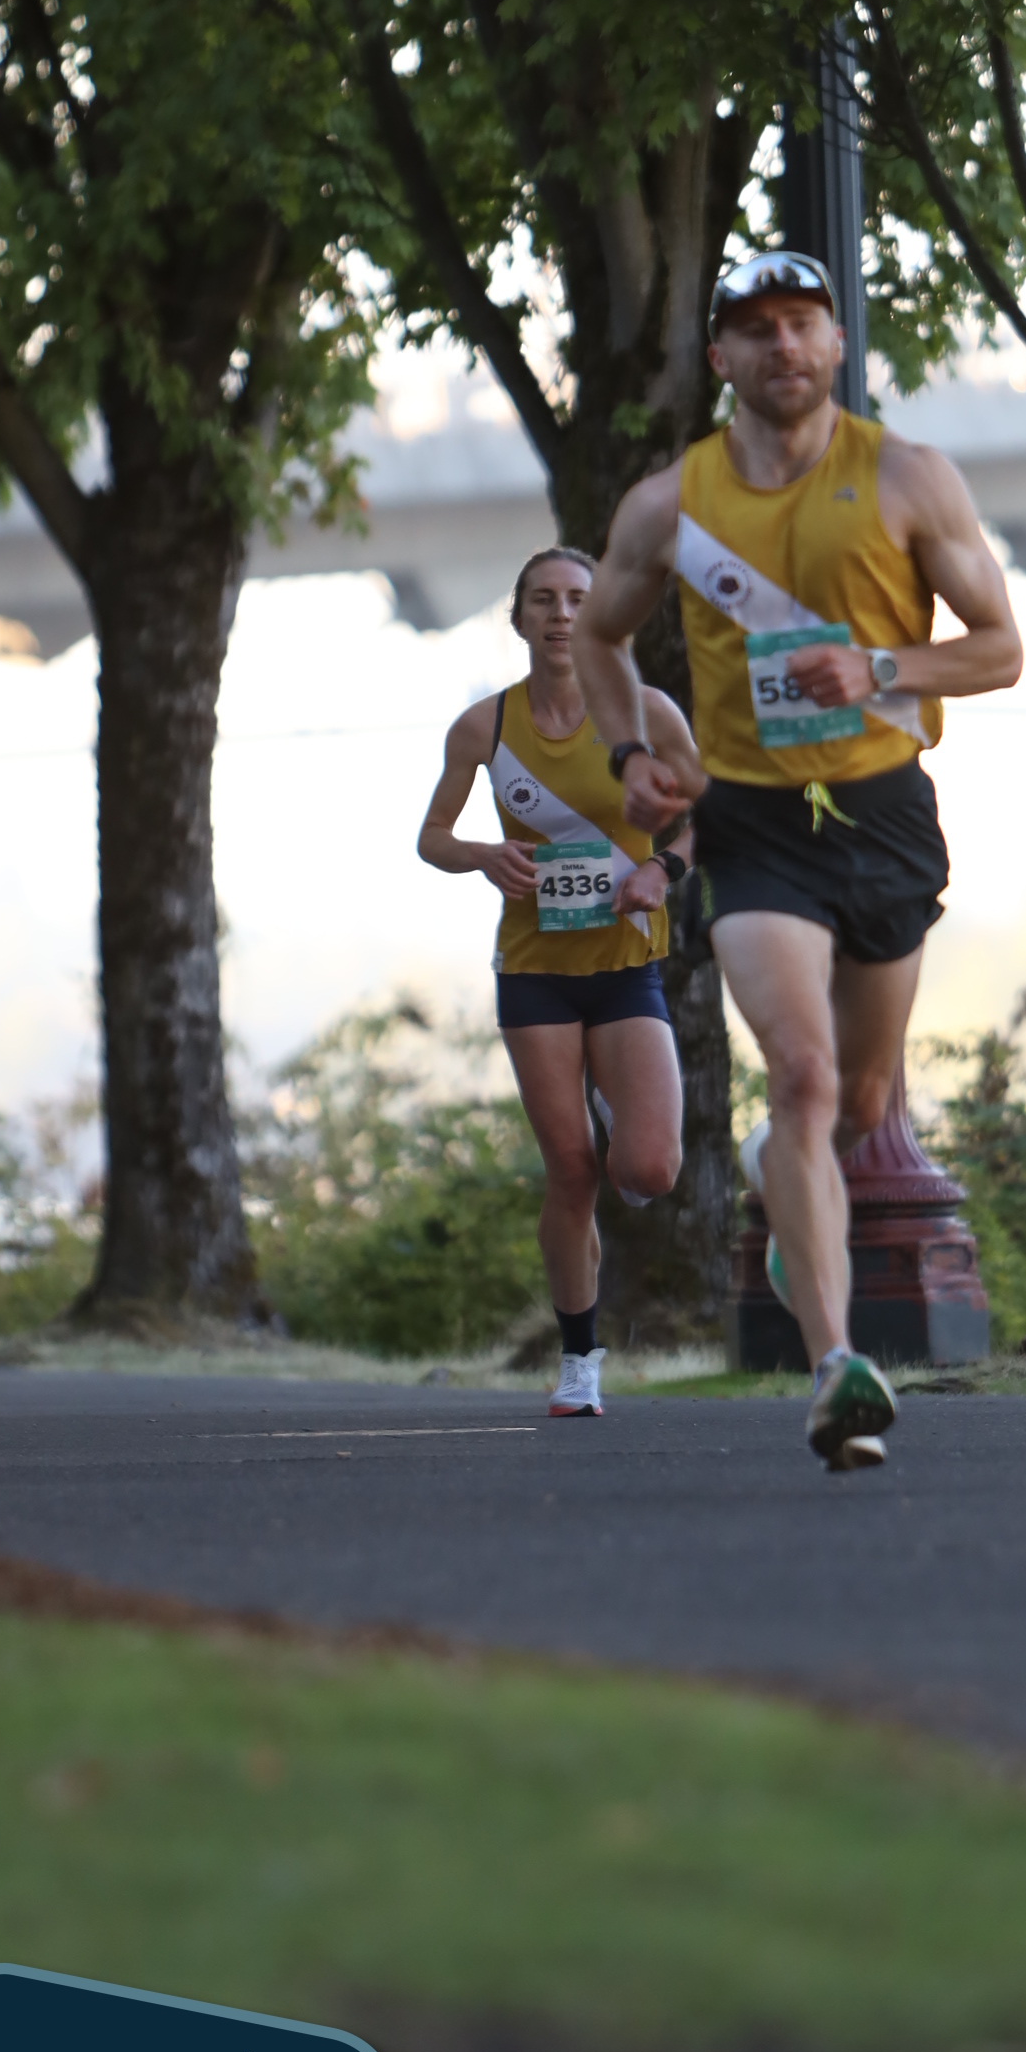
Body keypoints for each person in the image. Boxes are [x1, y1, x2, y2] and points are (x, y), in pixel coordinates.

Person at [572, 251, 1023, 1470]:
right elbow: (600, 638)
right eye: (755, 328)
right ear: (718, 354)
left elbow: (997, 651)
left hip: (882, 811)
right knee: (807, 1077)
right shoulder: (669, 504)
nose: (781, 346)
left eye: (801, 324)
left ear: (835, 343)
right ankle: (836, 1369)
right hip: (755, 822)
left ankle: (785, 1185)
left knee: (859, 1107)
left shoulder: (907, 476)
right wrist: (629, 756)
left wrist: (877, 668)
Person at [418, 547, 700, 1418]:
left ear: (601, 613)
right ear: (518, 619)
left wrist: (662, 870)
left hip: (625, 965)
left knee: (648, 1168)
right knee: (571, 1172)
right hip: (535, 970)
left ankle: (618, 1110)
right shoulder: (484, 728)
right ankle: (580, 1362)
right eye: (542, 600)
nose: (561, 614)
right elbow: (432, 837)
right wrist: (481, 854)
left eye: (578, 598)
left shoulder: (649, 713)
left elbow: (708, 814)